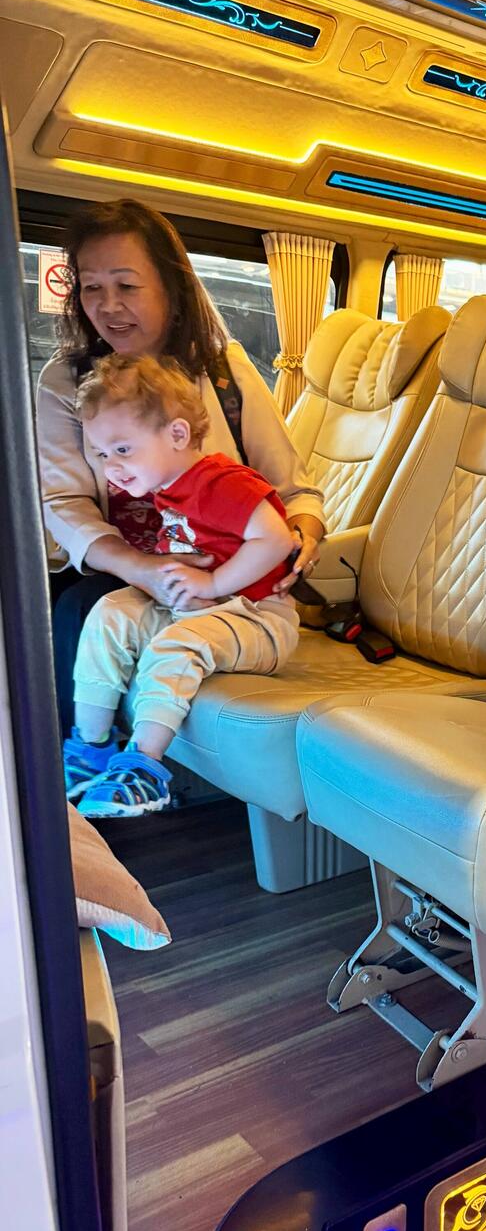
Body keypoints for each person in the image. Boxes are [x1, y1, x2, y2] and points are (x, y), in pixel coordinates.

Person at [37, 198, 324, 729]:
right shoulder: (66, 380)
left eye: (127, 285)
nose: (108, 306)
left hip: (229, 575)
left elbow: (293, 490)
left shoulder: (223, 369)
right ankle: (79, 760)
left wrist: (305, 532)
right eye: (91, 287)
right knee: (81, 606)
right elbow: (64, 502)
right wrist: (141, 569)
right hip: (126, 567)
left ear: (170, 286)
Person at [65, 355, 300, 816]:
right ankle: (90, 751)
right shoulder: (170, 485)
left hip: (259, 620)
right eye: (103, 454)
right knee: (110, 612)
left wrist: (212, 581)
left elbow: (276, 539)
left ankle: (145, 768)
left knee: (177, 644)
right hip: (203, 610)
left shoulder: (221, 482)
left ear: (176, 435)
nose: (112, 467)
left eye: (123, 449)